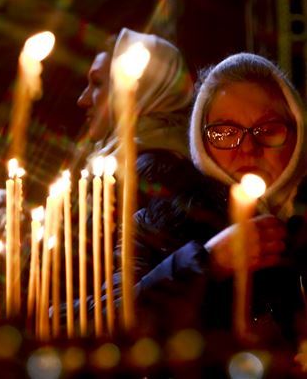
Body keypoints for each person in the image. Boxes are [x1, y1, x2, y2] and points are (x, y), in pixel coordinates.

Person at [134, 53, 306, 345]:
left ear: (298, 133)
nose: (248, 148)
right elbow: (107, 320)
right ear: (201, 142)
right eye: (225, 132)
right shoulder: (160, 224)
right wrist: (206, 262)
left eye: (268, 130)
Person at [77, 28, 198, 208]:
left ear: (143, 90)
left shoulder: (156, 172)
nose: (82, 100)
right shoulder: (120, 160)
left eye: (97, 83)